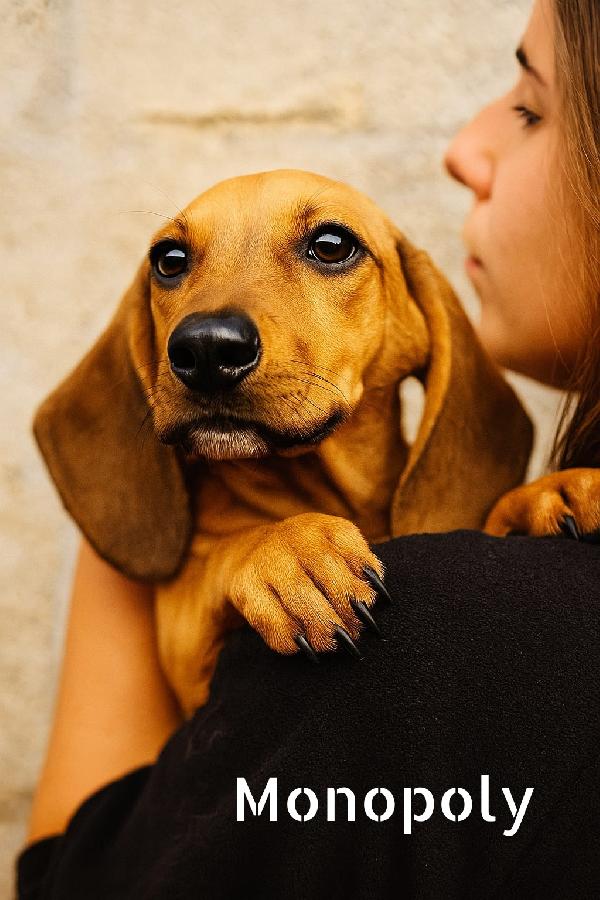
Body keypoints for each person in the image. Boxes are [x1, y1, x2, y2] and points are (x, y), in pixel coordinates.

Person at [15, 0, 600, 896]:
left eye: (328, 249)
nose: (210, 329)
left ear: (420, 337)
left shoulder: (481, 620)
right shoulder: (172, 540)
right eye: (177, 266)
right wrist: (226, 555)